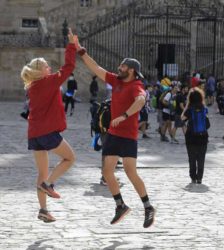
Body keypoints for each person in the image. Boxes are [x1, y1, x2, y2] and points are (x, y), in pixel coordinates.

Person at [75, 37, 155, 227]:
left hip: (128, 136)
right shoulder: (115, 80)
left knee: (130, 172)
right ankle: (120, 205)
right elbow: (96, 68)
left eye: (122, 66)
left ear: (131, 70)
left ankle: (148, 207)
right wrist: (80, 51)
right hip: (113, 133)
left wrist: (124, 115)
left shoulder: (136, 86)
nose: (119, 68)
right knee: (107, 171)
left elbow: (141, 101)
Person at [20, 28, 77, 223]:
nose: (50, 68)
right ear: (40, 71)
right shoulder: (48, 82)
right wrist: (71, 44)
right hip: (46, 132)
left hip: (34, 134)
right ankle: (49, 184)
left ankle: (43, 210)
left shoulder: (32, 86)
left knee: (42, 173)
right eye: (46, 66)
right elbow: (68, 66)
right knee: (69, 158)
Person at [181, 87, 209, 184]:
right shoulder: (204, 109)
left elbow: (182, 119)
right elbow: (208, 125)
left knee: (192, 158)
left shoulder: (189, 109)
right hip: (203, 137)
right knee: (201, 158)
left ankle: (193, 177)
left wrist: (186, 108)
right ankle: (199, 178)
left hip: (191, 137)